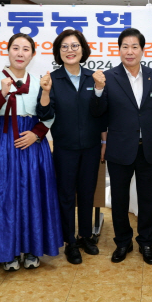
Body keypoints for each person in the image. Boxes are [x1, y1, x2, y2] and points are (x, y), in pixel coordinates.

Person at [0, 33, 62, 271]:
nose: (20, 53)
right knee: (3, 196)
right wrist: (1, 94)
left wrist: (36, 133)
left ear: (33, 54)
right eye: (16, 48)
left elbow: (49, 115)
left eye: (26, 49)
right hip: (2, 144)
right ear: (7, 51)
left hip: (31, 143)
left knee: (33, 195)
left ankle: (32, 249)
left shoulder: (41, 82)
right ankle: (6, 250)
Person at [89, 28, 152, 265]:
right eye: (125, 46)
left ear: (143, 50)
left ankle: (146, 242)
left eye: (135, 46)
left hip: (148, 148)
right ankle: (122, 242)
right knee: (120, 199)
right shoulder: (107, 77)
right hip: (119, 148)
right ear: (119, 49)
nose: (130, 51)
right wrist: (98, 89)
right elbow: (97, 113)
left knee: (147, 198)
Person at [36, 29, 106, 265]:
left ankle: (85, 236)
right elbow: (44, 114)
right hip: (65, 148)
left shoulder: (93, 77)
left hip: (91, 147)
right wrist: (45, 93)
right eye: (64, 46)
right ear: (58, 52)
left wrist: (99, 89)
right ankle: (70, 242)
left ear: (83, 49)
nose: (70, 50)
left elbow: (100, 113)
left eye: (74, 46)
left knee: (87, 193)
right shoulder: (52, 79)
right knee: (66, 195)